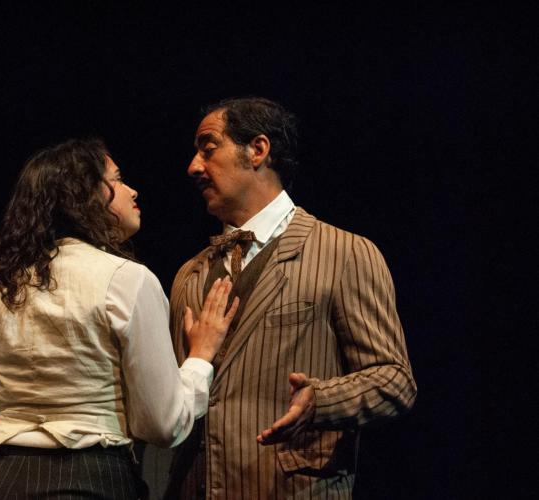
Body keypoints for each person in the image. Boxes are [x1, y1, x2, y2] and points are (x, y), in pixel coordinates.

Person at [0, 138, 239, 500]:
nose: (132, 191)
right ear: (84, 196)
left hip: (0, 477)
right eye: (117, 179)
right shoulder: (127, 280)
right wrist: (199, 360)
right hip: (92, 479)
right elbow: (163, 425)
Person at [164, 97, 417, 499]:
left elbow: (394, 380)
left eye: (208, 149)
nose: (193, 167)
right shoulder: (189, 275)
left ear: (258, 150)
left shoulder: (344, 253)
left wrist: (321, 401)